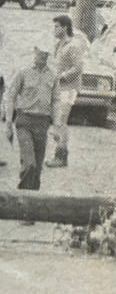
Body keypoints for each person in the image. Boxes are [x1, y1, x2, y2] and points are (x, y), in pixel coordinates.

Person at [7, 48, 58, 191]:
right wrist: (8, 123)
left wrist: (57, 126)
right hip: (25, 122)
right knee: (29, 164)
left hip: (42, 124)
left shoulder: (53, 76)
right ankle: (23, 198)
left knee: (37, 171)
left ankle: (30, 199)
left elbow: (56, 101)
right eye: (40, 51)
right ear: (35, 51)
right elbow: (10, 97)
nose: (43, 55)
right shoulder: (23, 72)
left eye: (46, 52)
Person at [46, 14, 87, 168]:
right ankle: (60, 153)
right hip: (58, 89)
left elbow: (78, 68)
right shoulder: (59, 45)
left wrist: (62, 77)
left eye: (57, 27)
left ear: (65, 27)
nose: (54, 30)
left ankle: (61, 157)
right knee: (57, 122)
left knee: (61, 121)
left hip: (68, 89)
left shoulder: (73, 45)